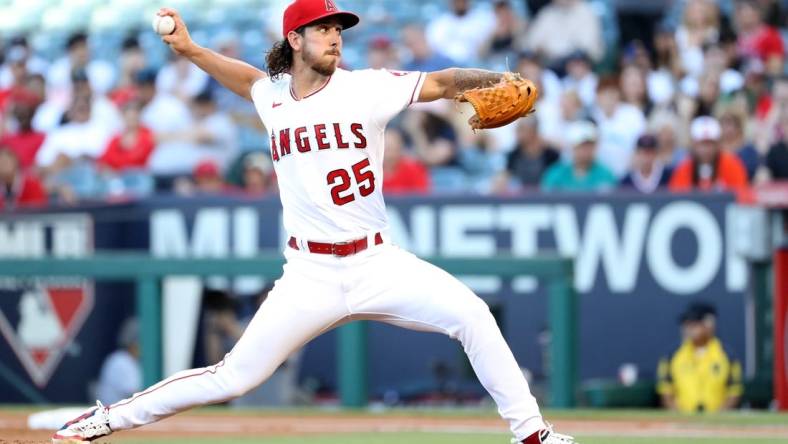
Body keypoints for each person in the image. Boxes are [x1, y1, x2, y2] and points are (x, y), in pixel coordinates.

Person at [52, 1, 575, 444]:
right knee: (233, 377)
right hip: (308, 275)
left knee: (473, 315)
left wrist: (493, 81)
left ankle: (533, 433)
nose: (335, 37)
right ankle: (104, 420)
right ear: (295, 40)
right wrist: (190, 51)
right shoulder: (272, 97)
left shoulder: (366, 87)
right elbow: (248, 80)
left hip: (377, 261)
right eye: (323, 29)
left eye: (338, 29)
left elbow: (440, 80)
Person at [656, 302, 743, 413]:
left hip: (717, 421)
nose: (688, 329)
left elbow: (734, 391)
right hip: (682, 421)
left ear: (709, 325)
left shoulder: (727, 355)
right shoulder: (672, 355)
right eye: (686, 325)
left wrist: (720, 415)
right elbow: (665, 390)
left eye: (694, 324)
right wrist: (678, 414)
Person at [669, 116, 749, 191]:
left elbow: (740, 194)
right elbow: (676, 197)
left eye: (710, 143)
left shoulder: (732, 165)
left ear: (718, 144)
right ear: (693, 144)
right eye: (702, 144)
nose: (706, 149)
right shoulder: (684, 168)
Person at [540, 120, 617, 192]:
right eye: (581, 145)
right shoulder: (556, 174)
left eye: (589, 145)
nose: (586, 150)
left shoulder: (606, 175)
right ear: (572, 147)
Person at [96, 319, 142, 406]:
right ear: (132, 343)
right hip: (112, 415)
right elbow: (134, 394)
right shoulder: (120, 360)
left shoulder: (133, 361)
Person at [0, 146, 47, 211]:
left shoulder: (32, 185)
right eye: (1, 162)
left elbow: (39, 210)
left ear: (15, 162)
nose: (3, 165)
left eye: (6, 161)